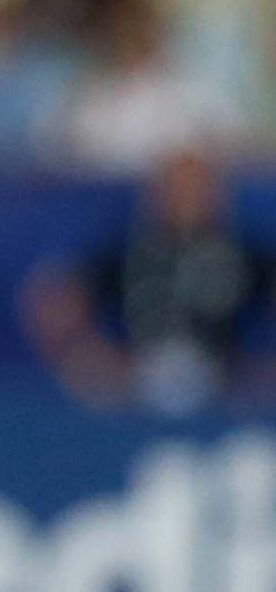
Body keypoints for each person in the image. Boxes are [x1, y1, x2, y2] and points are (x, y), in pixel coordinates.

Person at [22, 146, 274, 414]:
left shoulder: (243, 253)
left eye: (197, 187)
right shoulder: (128, 252)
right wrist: (92, 354)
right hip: (136, 377)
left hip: (223, 379)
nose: (188, 197)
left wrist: (257, 367)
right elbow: (53, 298)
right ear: (157, 194)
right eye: (178, 187)